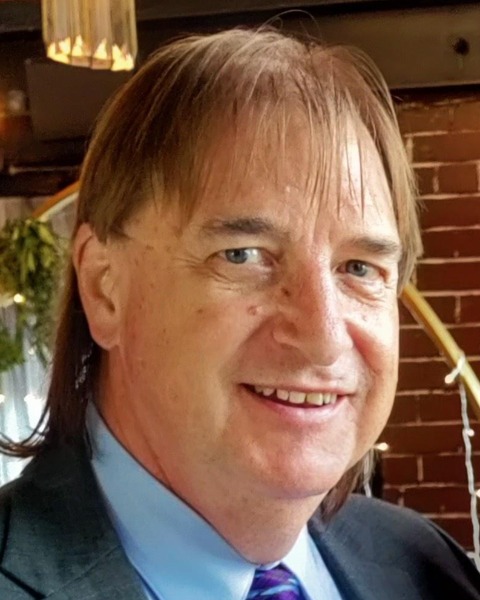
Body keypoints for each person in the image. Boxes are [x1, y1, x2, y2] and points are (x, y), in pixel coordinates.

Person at [0, 26, 479, 600]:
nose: (324, 336)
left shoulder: (428, 569)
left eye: (359, 267)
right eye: (243, 255)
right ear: (104, 289)